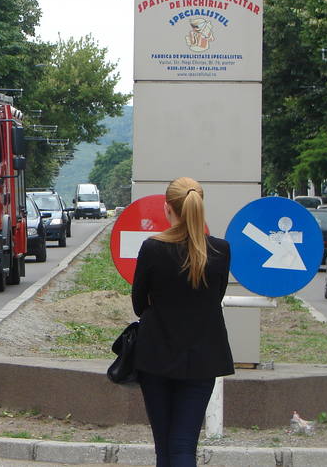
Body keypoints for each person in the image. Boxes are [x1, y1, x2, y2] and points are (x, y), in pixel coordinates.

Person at [131, 177, 234, 467]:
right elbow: (215, 299)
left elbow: (139, 304)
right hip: (203, 359)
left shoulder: (152, 248)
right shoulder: (221, 250)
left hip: (156, 356)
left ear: (168, 209)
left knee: (164, 448)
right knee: (184, 446)